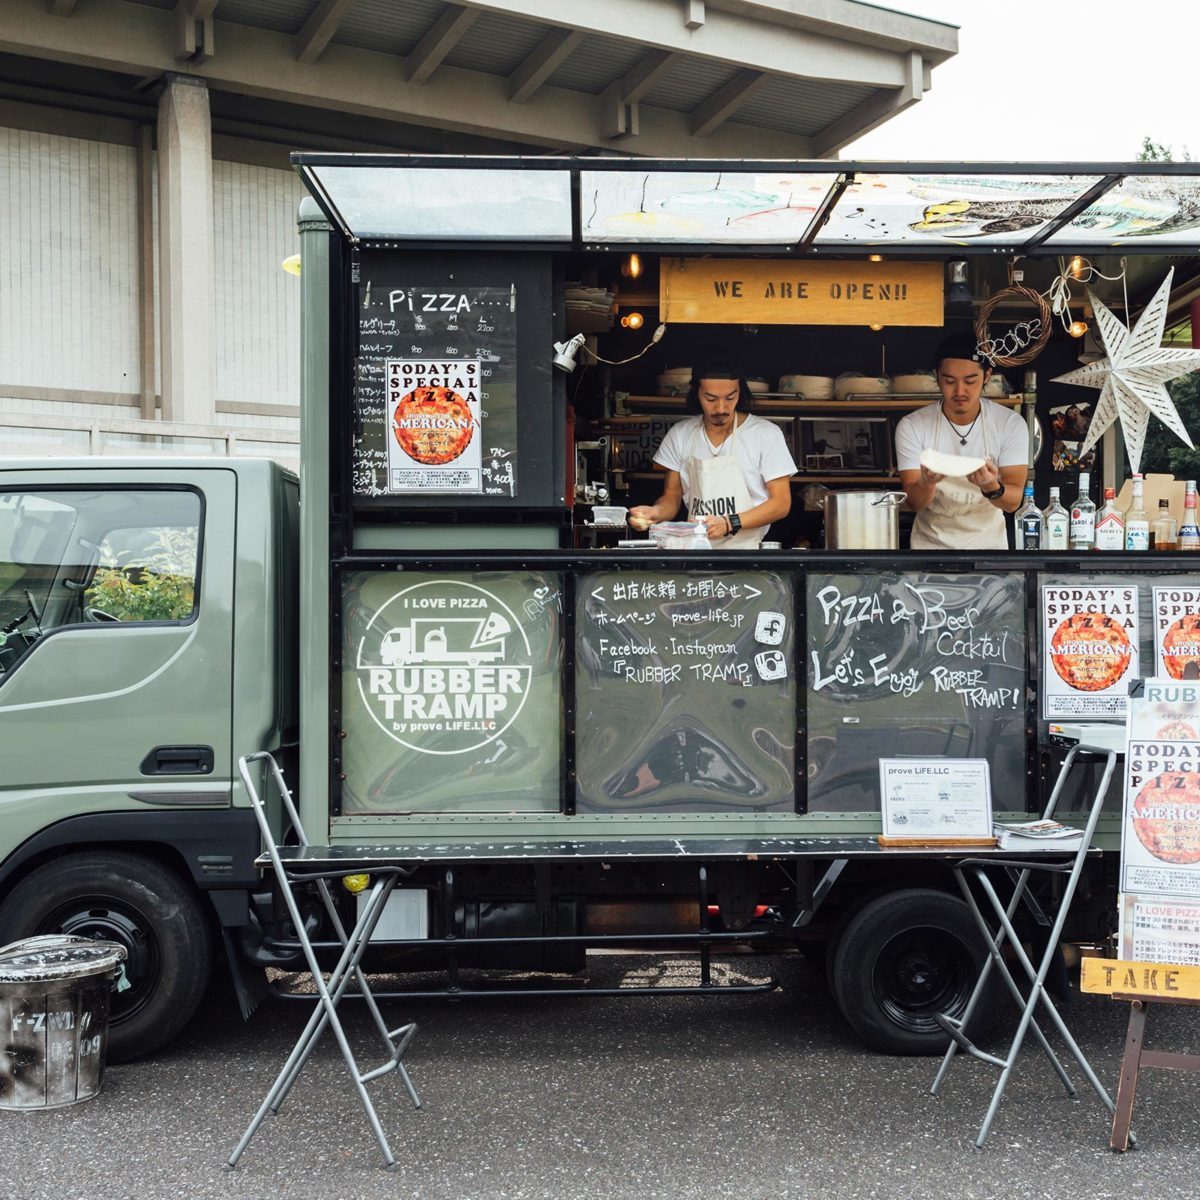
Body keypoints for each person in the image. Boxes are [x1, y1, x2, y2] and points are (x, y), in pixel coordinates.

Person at [628, 360, 796, 549]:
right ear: (696, 394)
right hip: (695, 551)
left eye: (730, 398)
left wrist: (729, 522)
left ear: (740, 392)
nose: (721, 408)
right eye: (711, 399)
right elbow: (672, 496)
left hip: (748, 553)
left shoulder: (766, 434)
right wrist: (655, 512)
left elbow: (781, 503)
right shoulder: (681, 434)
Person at [895, 332, 1028, 550]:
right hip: (930, 549)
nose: (959, 391)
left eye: (970, 381)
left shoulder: (1009, 424)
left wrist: (990, 485)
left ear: (987, 376)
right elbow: (914, 503)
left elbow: (1013, 503)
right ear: (937, 377)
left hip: (989, 550)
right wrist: (926, 483)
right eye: (949, 381)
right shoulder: (912, 426)